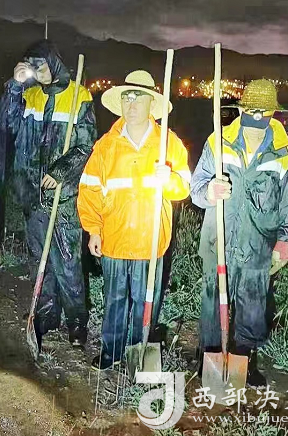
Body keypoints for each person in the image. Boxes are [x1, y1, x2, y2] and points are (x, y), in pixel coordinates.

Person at [190, 79, 288, 387]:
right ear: (241, 110)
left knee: (253, 304)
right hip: (218, 239)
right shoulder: (219, 141)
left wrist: (285, 242)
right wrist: (209, 192)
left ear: (273, 113)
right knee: (213, 301)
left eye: (263, 111)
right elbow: (195, 188)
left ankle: (245, 359)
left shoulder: (286, 149)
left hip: (259, 243)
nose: (256, 117)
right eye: (251, 110)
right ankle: (209, 356)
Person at [78, 70, 191, 370]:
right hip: (114, 238)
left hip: (150, 240)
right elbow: (89, 189)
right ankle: (111, 351)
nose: (131, 104)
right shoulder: (106, 145)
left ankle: (138, 353)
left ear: (151, 104)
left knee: (146, 301)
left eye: (138, 97)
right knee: (114, 299)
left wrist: (169, 179)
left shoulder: (169, 143)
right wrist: (93, 230)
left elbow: (184, 189)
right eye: (127, 97)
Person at [0, 39, 97, 349]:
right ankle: (47, 314)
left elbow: (86, 145)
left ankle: (77, 321)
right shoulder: (29, 95)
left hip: (63, 197)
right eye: (31, 67)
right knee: (39, 258)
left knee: (67, 261)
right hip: (31, 194)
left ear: (53, 63)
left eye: (40, 66)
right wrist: (14, 87)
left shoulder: (78, 96)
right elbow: (5, 125)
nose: (37, 72)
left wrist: (60, 171)